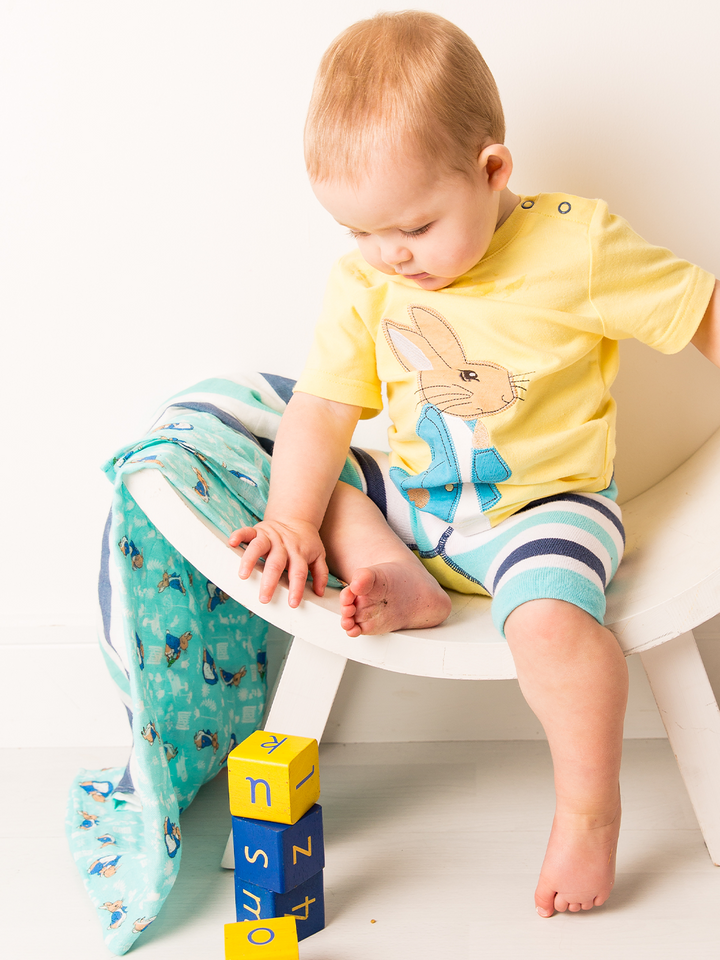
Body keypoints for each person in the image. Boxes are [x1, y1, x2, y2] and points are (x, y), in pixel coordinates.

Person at [229, 10, 720, 918]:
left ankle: (587, 811)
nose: (389, 256)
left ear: (493, 171)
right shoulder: (367, 282)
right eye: (359, 233)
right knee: (317, 478)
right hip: (418, 508)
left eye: (413, 225)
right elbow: (326, 406)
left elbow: (700, 310)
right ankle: (397, 575)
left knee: (547, 624)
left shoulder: (576, 245)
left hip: (548, 507)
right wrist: (295, 516)